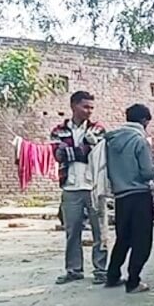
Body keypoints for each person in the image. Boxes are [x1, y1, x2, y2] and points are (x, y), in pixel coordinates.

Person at [51, 91, 107, 285]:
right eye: (85, 107)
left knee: (100, 231)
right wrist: (84, 148)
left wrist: (71, 151)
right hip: (70, 186)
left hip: (94, 186)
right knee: (72, 230)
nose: (89, 111)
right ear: (73, 106)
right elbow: (57, 155)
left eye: (91, 107)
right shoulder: (59, 130)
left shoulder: (98, 129)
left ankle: (101, 270)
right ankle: (74, 270)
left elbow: (96, 151)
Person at [104, 104, 154, 293]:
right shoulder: (140, 141)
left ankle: (112, 275)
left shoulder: (111, 140)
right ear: (145, 121)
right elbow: (146, 172)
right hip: (139, 195)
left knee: (123, 238)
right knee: (142, 240)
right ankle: (133, 281)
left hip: (120, 195)